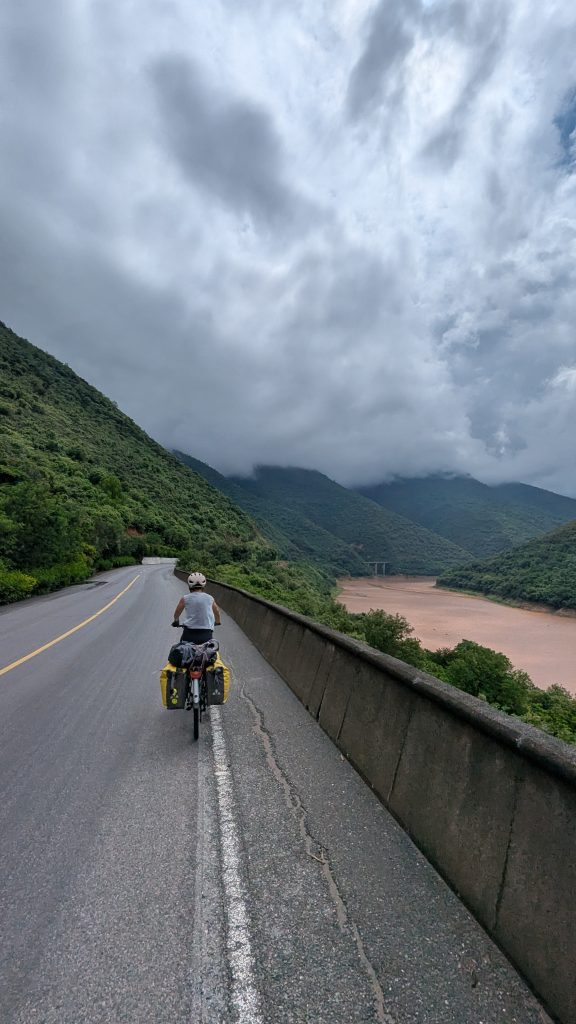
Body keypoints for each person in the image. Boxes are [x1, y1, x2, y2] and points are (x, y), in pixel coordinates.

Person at [172, 571, 221, 644]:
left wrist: (176, 621)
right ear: (203, 586)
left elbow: (177, 612)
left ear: (189, 585)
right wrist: (218, 621)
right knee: (211, 652)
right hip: (206, 634)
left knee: (182, 650)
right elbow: (217, 611)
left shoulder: (185, 598)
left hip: (189, 634)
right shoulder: (210, 598)